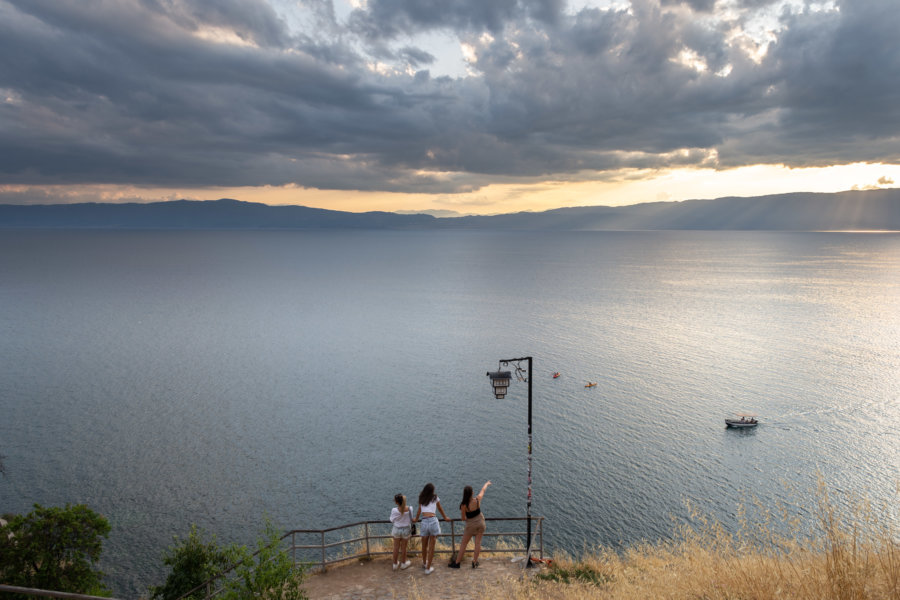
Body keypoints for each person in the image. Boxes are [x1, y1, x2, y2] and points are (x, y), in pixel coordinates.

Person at [448, 481, 491, 569]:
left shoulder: (464, 505)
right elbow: (483, 490)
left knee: (463, 544)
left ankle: (457, 563)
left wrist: (470, 520)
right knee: (478, 543)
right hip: (481, 523)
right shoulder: (477, 499)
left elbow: (463, 518)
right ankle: (474, 562)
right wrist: (486, 484)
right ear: (472, 493)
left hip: (470, 526)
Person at [415, 482, 450, 574]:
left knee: (424, 545)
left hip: (424, 521)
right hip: (433, 520)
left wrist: (415, 519)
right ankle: (428, 568)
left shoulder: (421, 498)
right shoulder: (435, 497)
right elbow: (440, 508)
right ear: (432, 491)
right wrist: (445, 517)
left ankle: (424, 563)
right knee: (431, 547)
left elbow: (419, 511)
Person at [389, 493, 414, 571]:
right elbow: (411, 519)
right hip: (406, 530)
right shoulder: (410, 509)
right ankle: (403, 564)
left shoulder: (394, 510)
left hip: (396, 529)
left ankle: (395, 564)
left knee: (396, 547)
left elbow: (391, 520)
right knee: (404, 548)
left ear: (397, 502)